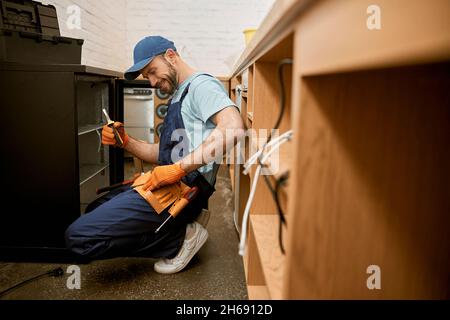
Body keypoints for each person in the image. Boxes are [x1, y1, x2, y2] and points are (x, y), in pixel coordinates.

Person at [65, 36, 244, 274]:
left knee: (79, 238)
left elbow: (233, 127)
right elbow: (161, 153)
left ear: (170, 56)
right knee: (94, 208)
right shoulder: (179, 94)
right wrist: (125, 142)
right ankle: (176, 228)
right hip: (165, 181)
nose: (151, 82)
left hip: (183, 190)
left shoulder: (201, 86)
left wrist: (178, 169)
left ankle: (179, 238)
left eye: (152, 71)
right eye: (146, 76)